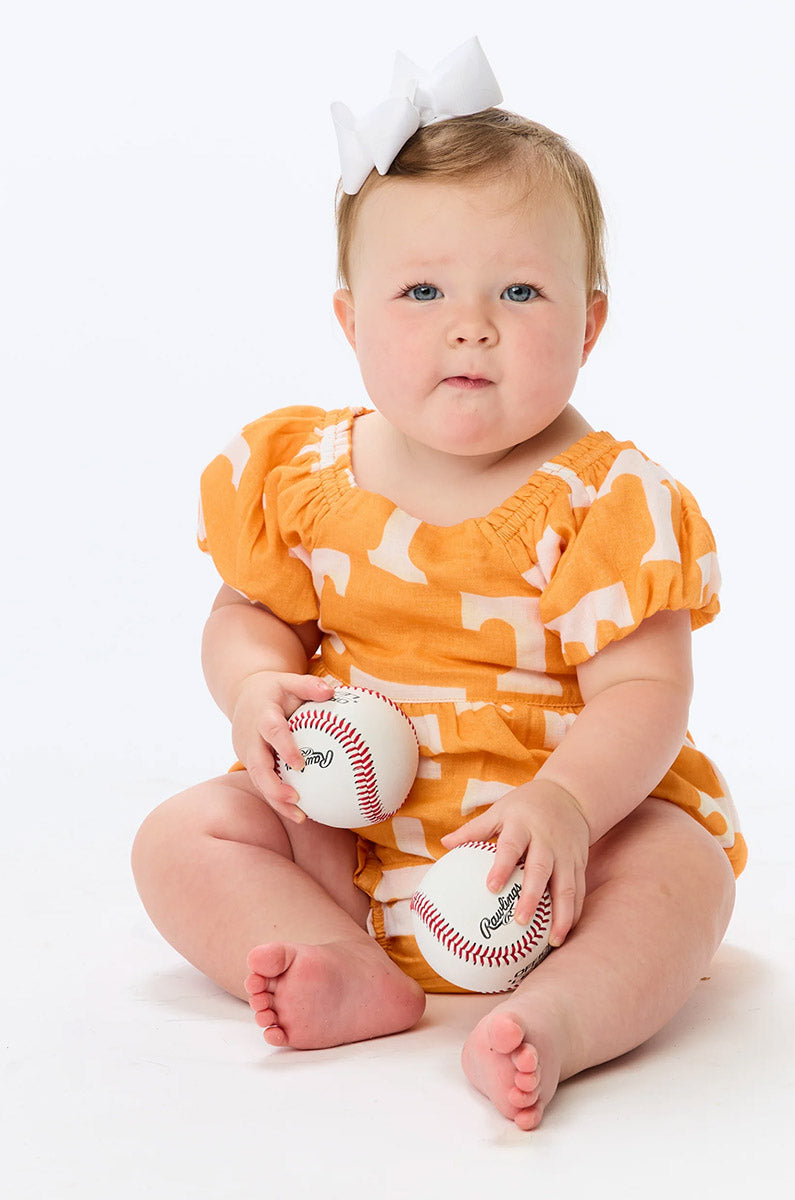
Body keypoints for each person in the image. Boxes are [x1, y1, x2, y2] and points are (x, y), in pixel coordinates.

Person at [132, 39, 746, 1132]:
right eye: (422, 290)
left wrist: (565, 803)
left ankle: (563, 1013)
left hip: (560, 849)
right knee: (181, 837)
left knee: (682, 873)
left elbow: (646, 697)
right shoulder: (305, 476)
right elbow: (246, 615)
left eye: (520, 290)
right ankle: (339, 961)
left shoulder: (601, 500)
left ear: (591, 323)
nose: (473, 324)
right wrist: (250, 690)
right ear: (350, 321)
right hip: (344, 833)